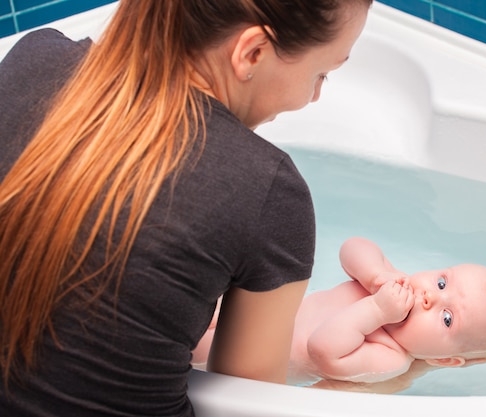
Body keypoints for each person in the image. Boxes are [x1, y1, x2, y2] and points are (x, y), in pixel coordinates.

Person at [0, 1, 372, 416]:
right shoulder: (269, 189)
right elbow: (244, 409)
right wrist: (384, 384)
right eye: (320, 74)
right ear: (252, 52)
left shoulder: (33, 55)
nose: (316, 96)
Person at [194, 237, 486, 385]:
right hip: (254, 308)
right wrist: (373, 275)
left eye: (447, 318)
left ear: (443, 359)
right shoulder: (388, 281)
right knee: (194, 300)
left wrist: (378, 310)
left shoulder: (391, 359)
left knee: (188, 345)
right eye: (442, 283)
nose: (429, 297)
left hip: (244, 359)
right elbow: (353, 246)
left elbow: (323, 349)